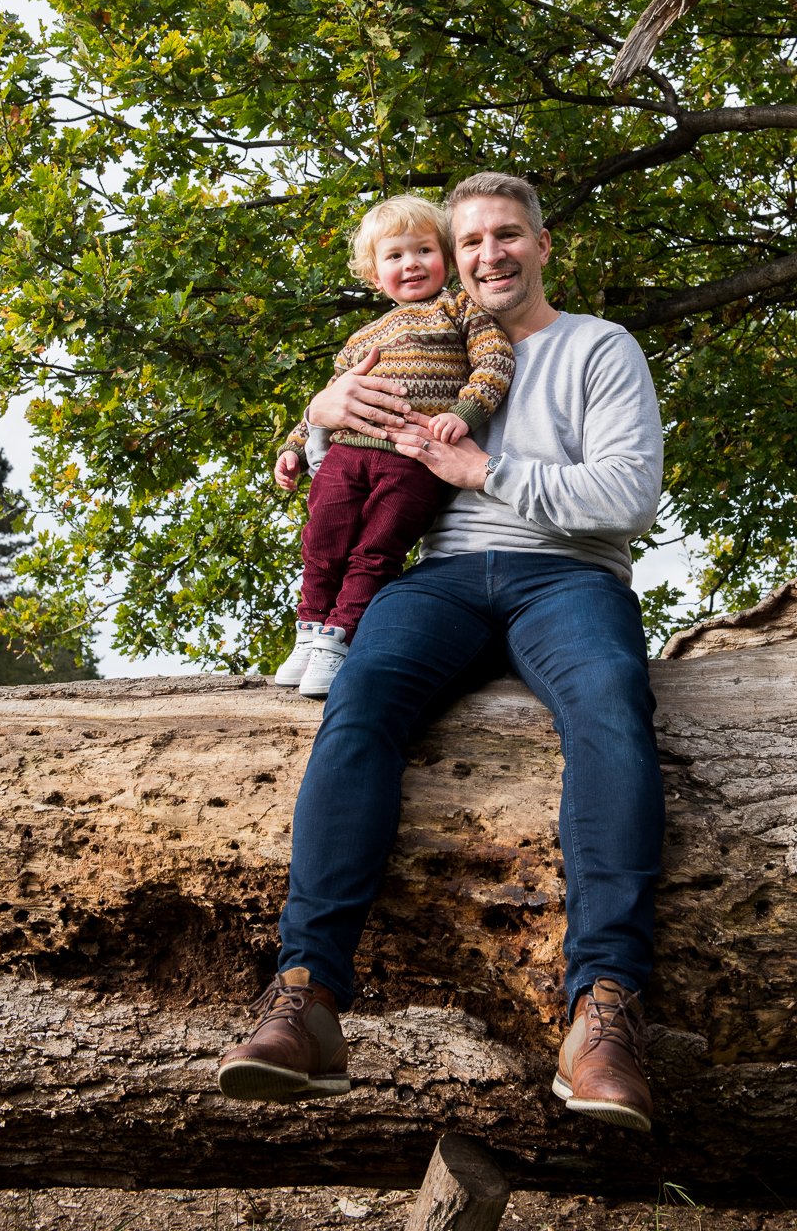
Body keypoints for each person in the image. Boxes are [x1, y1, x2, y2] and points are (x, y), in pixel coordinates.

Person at [219, 173, 666, 1132]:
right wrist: (325, 411)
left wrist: (486, 469)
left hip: (569, 577)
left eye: (508, 236)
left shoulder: (598, 347)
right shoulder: (423, 343)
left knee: (613, 703)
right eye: (470, 242)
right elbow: (346, 472)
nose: (487, 255)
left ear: (544, 245)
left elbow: (629, 499)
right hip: (443, 580)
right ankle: (306, 999)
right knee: (362, 701)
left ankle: (605, 1010)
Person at [271, 194, 514, 696]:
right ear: (374, 273)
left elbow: (495, 362)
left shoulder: (459, 308)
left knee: (376, 550)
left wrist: (463, 412)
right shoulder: (363, 336)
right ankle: (310, 629)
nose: (411, 264)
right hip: (345, 455)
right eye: (395, 256)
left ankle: (340, 637)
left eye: (424, 250)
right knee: (322, 543)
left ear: (445, 257)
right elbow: (327, 398)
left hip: (411, 460)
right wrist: (296, 445)